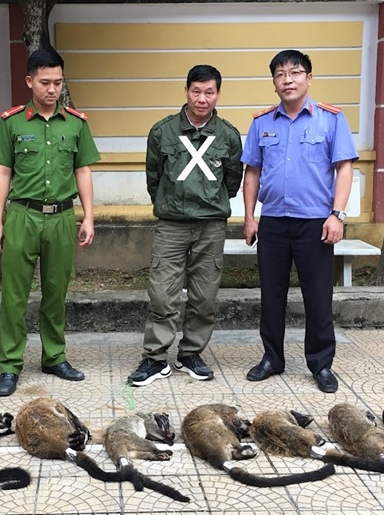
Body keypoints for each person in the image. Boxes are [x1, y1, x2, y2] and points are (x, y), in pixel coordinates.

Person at [240, 50, 358, 393]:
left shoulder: (330, 119)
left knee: (318, 297)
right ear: (274, 82)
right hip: (273, 222)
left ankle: (321, 364)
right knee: (271, 295)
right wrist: (249, 217)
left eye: (294, 72)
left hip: (315, 223)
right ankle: (272, 358)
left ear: (309, 78)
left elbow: (344, 168)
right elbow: (252, 172)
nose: (287, 79)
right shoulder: (262, 123)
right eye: (280, 74)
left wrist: (337, 214)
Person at [0, 47, 100, 397]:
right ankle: (10, 364)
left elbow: (83, 170)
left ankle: (54, 357)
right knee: (14, 295)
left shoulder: (76, 123)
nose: (52, 89)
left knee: (56, 291)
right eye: (45, 82)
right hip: (22, 216)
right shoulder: (13, 123)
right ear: (30, 81)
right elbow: (2, 172)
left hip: (62, 218)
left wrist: (88, 216)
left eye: (58, 83)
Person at [127, 64, 244, 387]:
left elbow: (232, 181)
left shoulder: (228, 135)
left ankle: (191, 353)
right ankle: (155, 358)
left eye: (209, 92)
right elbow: (154, 177)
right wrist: (170, 204)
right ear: (186, 91)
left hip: (211, 226)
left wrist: (209, 202)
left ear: (218, 94)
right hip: (172, 225)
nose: (202, 99)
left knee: (204, 295)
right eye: (196, 91)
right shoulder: (162, 131)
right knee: (162, 293)